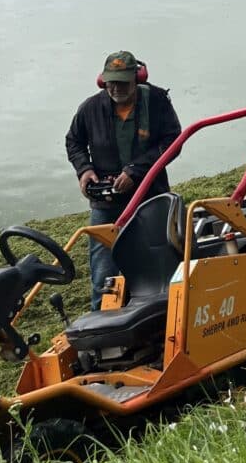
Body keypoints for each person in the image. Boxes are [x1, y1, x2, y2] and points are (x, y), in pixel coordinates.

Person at [66, 51, 182, 309]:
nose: (116, 88)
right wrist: (84, 170)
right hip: (107, 205)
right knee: (103, 272)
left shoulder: (157, 102)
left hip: (150, 196)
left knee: (161, 263)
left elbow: (173, 141)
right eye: (111, 83)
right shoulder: (90, 108)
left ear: (137, 78)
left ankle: (167, 316)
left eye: (122, 83)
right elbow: (73, 141)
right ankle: (103, 320)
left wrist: (135, 172)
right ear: (102, 81)